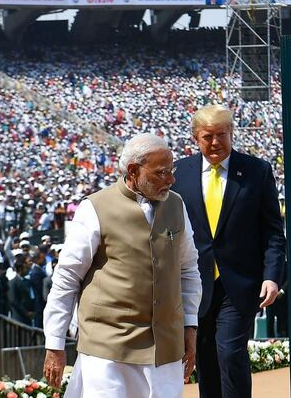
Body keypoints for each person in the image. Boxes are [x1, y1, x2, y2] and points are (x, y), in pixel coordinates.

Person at [43, 133, 202, 398]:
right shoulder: (94, 208)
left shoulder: (176, 205)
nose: (171, 180)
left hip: (164, 351)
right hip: (108, 352)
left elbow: (188, 269)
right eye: (161, 173)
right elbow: (67, 279)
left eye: (171, 171)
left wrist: (190, 325)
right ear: (133, 171)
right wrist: (55, 344)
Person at [171, 105, 285, 398]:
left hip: (239, 283)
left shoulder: (256, 171)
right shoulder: (179, 173)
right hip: (195, 283)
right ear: (196, 137)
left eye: (222, 135)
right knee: (206, 356)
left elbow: (272, 231)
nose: (215, 143)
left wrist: (272, 277)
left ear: (231, 133)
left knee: (230, 352)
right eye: (207, 136)